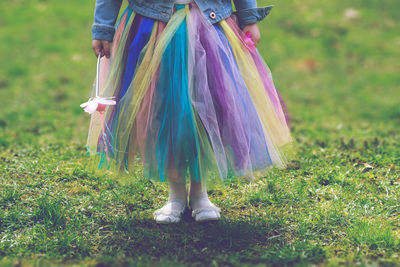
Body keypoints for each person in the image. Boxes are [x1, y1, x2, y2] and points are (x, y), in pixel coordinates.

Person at [83, 0, 292, 224]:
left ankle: (200, 192)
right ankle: (176, 193)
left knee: (205, 110)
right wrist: (103, 27)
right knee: (165, 112)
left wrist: (249, 17)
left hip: (208, 28)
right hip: (152, 28)